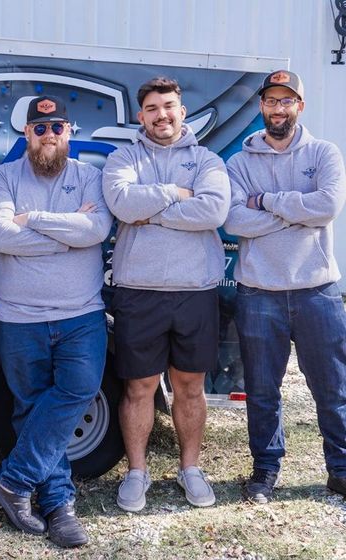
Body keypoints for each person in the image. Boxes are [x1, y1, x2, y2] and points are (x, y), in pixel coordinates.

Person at [0, 95, 112, 548]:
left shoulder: (91, 177)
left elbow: (96, 232)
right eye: (40, 129)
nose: (49, 135)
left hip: (81, 315)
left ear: (69, 132)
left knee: (78, 389)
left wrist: (33, 220)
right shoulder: (2, 177)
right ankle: (58, 505)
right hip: (17, 317)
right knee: (31, 407)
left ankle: (13, 480)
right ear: (26, 134)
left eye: (57, 127)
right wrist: (66, 234)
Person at [102, 77, 230, 511]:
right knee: (138, 387)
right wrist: (176, 195)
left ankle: (190, 468)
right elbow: (121, 204)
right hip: (139, 291)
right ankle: (137, 473)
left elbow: (213, 210)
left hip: (195, 291)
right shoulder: (123, 157)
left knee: (190, 387)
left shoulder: (208, 159)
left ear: (182, 110)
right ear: (141, 116)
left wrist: (151, 213)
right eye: (153, 108)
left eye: (169, 106)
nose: (162, 115)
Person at [224, 70, 346, 503]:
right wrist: (299, 208)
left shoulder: (324, 153)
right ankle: (265, 470)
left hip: (318, 290)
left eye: (286, 100)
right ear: (261, 107)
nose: (278, 108)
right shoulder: (239, 164)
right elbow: (234, 220)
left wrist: (270, 202)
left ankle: (342, 468)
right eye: (271, 101)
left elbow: (327, 206)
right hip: (259, 291)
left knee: (332, 387)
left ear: (300, 105)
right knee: (261, 390)